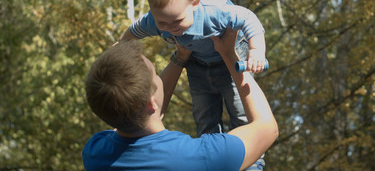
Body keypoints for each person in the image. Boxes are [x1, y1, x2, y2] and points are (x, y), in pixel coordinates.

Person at [83, 30, 278, 170]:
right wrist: (229, 54)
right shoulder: (197, 158)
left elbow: (135, 111)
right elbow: (268, 127)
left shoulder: (96, 153)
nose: (159, 77)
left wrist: (180, 58)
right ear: (151, 102)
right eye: (155, 75)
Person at [119, 0, 266, 142]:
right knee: (204, 117)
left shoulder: (212, 11)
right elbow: (134, 31)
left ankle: (251, 164)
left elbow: (247, 18)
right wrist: (119, 47)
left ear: (194, 4)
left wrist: (257, 50)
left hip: (232, 58)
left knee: (241, 111)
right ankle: (212, 159)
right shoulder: (153, 20)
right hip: (197, 64)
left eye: (178, 20)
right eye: (163, 23)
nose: (171, 28)